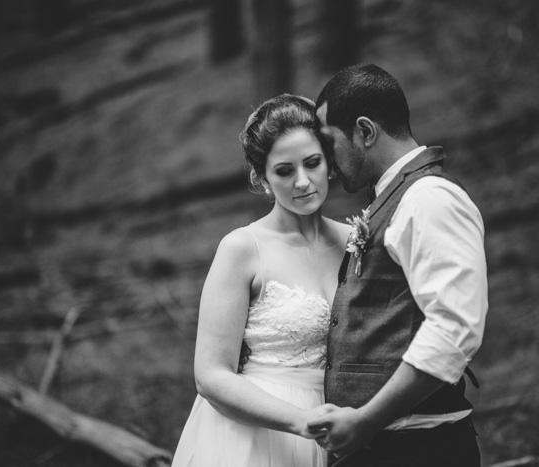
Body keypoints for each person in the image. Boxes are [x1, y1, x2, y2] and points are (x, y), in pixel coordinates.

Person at [308, 64, 489, 466]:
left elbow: (453, 330)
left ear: (365, 131)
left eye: (328, 142)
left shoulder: (429, 199)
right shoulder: (394, 199)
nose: (326, 161)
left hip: (419, 451)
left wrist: (365, 421)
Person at [171, 94, 349, 467]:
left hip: (344, 428)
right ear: (261, 177)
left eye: (312, 163)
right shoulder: (242, 248)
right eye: (284, 171)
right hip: (258, 435)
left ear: (330, 161)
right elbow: (210, 375)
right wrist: (302, 421)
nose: (303, 182)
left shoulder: (354, 241)